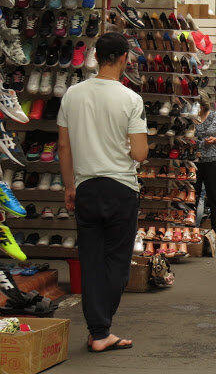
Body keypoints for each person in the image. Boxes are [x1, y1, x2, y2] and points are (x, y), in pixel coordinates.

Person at [57, 32, 148, 353]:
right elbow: (139, 154)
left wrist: (69, 186)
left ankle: (99, 330)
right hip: (121, 187)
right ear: (124, 58)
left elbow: (64, 146)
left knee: (91, 260)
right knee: (118, 263)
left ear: (95, 57)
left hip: (85, 187)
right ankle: (100, 328)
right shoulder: (130, 99)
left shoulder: (72, 95)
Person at [193, 96, 216, 249]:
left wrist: (214, 139)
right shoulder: (189, 118)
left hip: (213, 161)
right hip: (194, 162)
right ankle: (191, 231)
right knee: (192, 198)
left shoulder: (215, 117)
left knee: (214, 197)